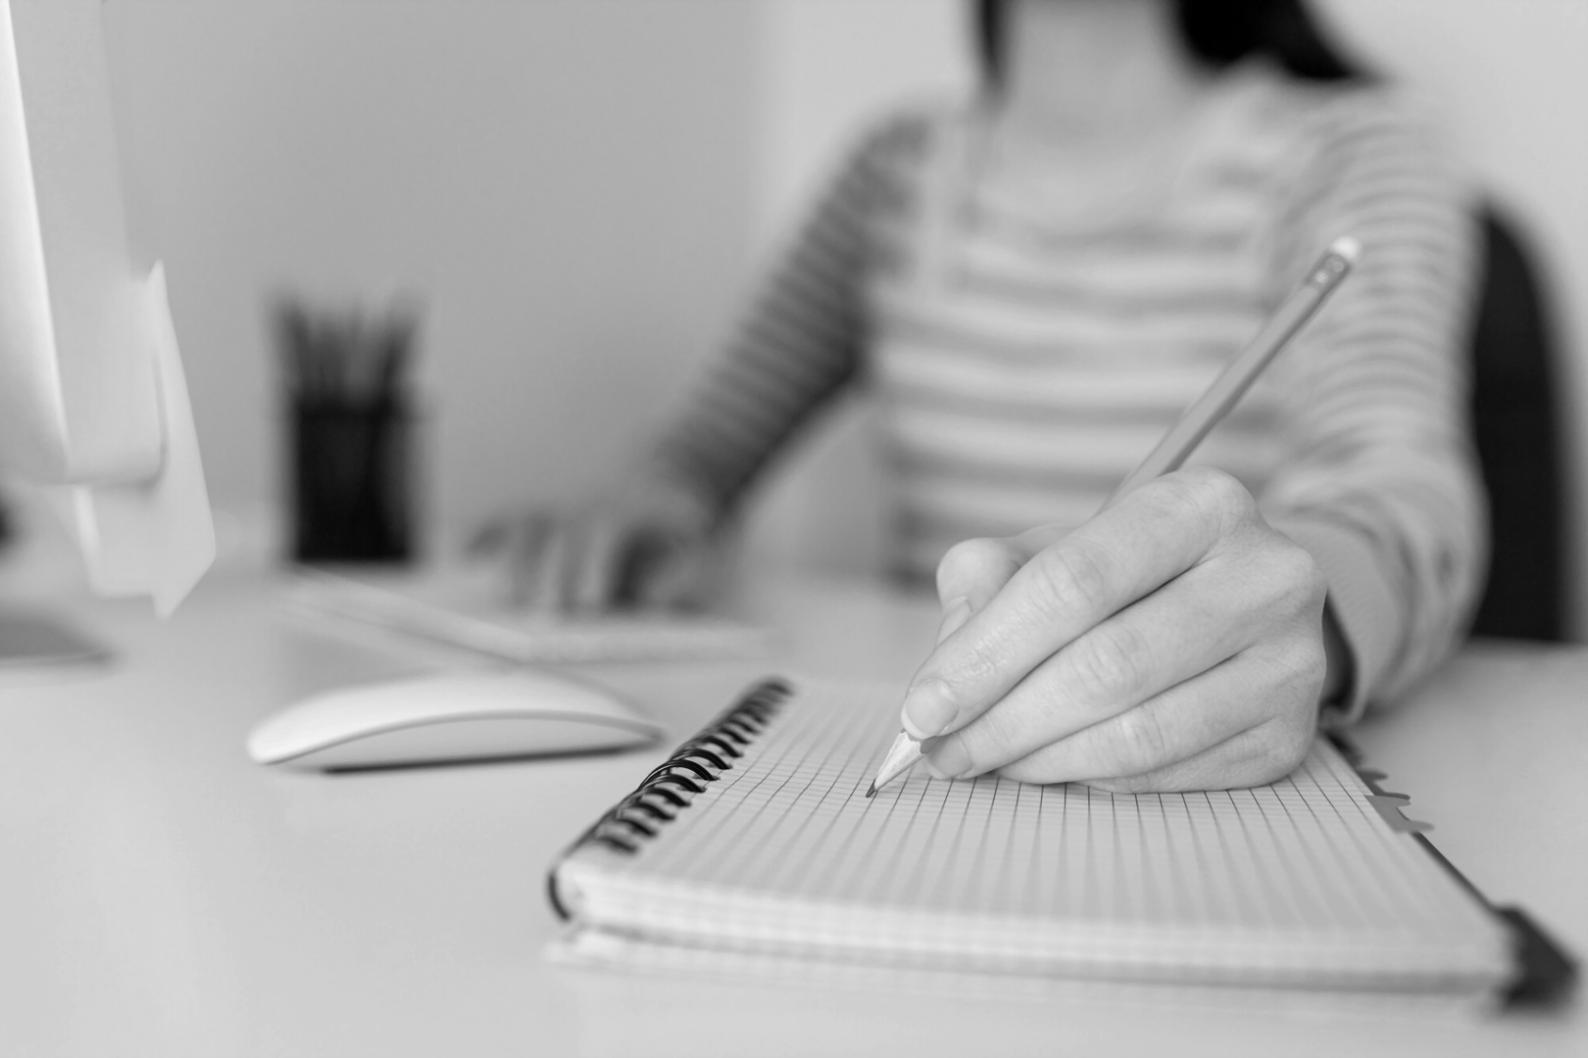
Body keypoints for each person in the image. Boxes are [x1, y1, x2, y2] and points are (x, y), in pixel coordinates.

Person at [491, 0, 1484, 794]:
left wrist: (1308, 613)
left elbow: (1403, 502)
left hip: (1188, 793)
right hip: (946, 756)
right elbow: (704, 450)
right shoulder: (896, 170)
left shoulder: (1349, 152)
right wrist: (660, 501)